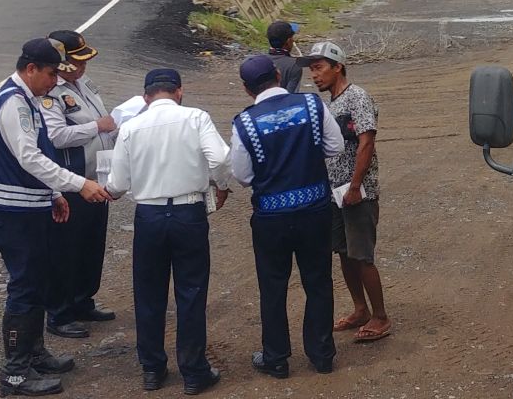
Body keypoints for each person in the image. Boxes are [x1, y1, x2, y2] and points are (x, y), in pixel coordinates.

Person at [0, 38, 112, 396]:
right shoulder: (14, 103)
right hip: (13, 211)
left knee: (37, 282)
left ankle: (34, 353)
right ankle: (15, 373)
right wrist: (76, 184)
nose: (56, 81)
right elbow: (30, 158)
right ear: (31, 69)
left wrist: (53, 193)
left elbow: (36, 154)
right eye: (52, 73)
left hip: (29, 204)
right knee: (24, 288)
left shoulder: (29, 99)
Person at [105, 69, 231, 395]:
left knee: (148, 294)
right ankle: (193, 372)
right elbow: (219, 158)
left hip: (149, 214)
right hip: (189, 212)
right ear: (179, 91)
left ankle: (152, 370)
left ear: (146, 97)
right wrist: (222, 184)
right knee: (191, 292)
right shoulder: (196, 117)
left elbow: (117, 184)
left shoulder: (130, 128)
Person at [228, 54, 345, 379]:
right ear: (278, 75)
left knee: (273, 287)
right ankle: (322, 355)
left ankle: (276, 358)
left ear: (246, 88)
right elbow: (335, 147)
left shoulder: (245, 122)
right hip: (315, 209)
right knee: (319, 281)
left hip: (271, 218)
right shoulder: (311, 105)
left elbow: (242, 175)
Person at [301, 41, 391, 343]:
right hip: (334, 193)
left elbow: (367, 143)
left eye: (319, 68)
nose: (314, 75)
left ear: (338, 66)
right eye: (312, 70)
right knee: (343, 252)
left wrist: (355, 186)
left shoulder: (357, 98)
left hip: (358, 192)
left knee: (362, 256)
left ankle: (381, 317)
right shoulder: (329, 104)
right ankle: (359, 309)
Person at [42, 30, 119, 339]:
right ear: (62, 62)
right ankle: (59, 313)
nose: (83, 67)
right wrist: (95, 127)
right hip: (72, 182)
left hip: (97, 177)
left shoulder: (83, 84)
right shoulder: (51, 93)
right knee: (66, 249)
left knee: (91, 243)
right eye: (77, 61)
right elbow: (55, 136)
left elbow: (105, 119)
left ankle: (83, 300)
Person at [265, 20, 303, 93]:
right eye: (292, 38)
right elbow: (291, 94)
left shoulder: (260, 61)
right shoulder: (294, 65)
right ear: (288, 41)